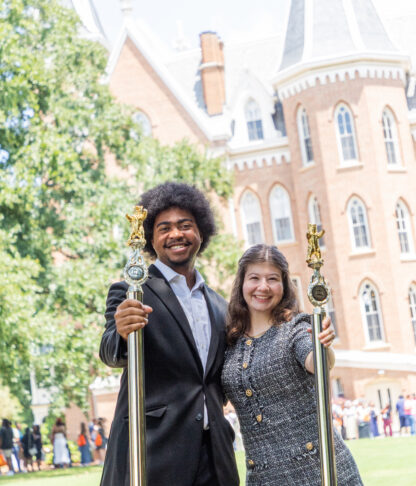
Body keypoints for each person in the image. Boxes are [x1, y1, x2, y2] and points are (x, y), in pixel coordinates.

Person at [99, 182, 239, 486]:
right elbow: (109, 351)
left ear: (201, 231)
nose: (175, 234)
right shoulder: (131, 292)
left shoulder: (219, 305)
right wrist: (122, 333)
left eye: (185, 225)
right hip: (154, 453)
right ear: (151, 239)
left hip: (215, 458)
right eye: (164, 228)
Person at [221, 244, 363, 485]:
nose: (263, 287)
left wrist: (323, 347)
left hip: (317, 471)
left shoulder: (295, 329)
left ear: (284, 286)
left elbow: (316, 361)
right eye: (254, 278)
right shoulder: (230, 341)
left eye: (272, 279)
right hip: (262, 477)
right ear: (242, 284)